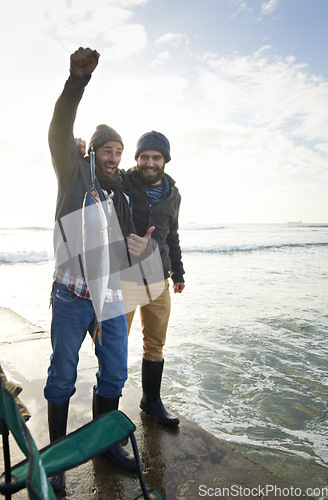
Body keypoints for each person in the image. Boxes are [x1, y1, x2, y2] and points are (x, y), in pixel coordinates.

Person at [45, 47, 152, 491]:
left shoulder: (123, 192)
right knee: (63, 373)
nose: (114, 157)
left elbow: (140, 233)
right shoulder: (74, 176)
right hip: (71, 295)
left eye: (119, 152)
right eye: (107, 150)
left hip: (109, 295)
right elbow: (59, 131)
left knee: (115, 373)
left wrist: (143, 249)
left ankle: (104, 442)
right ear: (95, 152)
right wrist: (76, 83)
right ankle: (56, 456)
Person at [121, 131, 185, 428]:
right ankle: (109, 411)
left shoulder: (174, 194)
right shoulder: (123, 182)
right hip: (128, 278)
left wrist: (179, 273)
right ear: (136, 160)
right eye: (144, 157)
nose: (150, 162)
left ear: (165, 161)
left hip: (159, 279)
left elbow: (172, 235)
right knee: (115, 344)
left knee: (155, 344)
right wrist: (85, 151)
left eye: (156, 157)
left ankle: (151, 400)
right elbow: (95, 174)